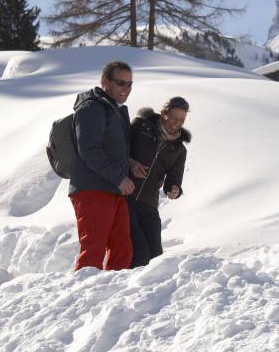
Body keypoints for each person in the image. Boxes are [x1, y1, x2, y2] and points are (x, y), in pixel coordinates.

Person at [69, 60, 134, 271]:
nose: (126, 89)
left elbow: (111, 147)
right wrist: (119, 177)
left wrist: (129, 163)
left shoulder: (113, 108)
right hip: (93, 188)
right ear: (105, 81)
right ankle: (80, 300)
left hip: (113, 189)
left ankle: (111, 297)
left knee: (123, 250)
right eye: (121, 83)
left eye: (130, 84)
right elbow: (89, 150)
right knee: (93, 251)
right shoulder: (92, 107)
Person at [128, 97, 191, 267]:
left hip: (149, 203)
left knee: (156, 255)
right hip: (125, 196)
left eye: (181, 120)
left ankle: (151, 292)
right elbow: (118, 150)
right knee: (139, 250)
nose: (176, 123)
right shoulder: (141, 127)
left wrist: (174, 189)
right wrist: (130, 162)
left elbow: (173, 180)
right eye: (173, 118)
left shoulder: (178, 149)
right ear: (163, 114)